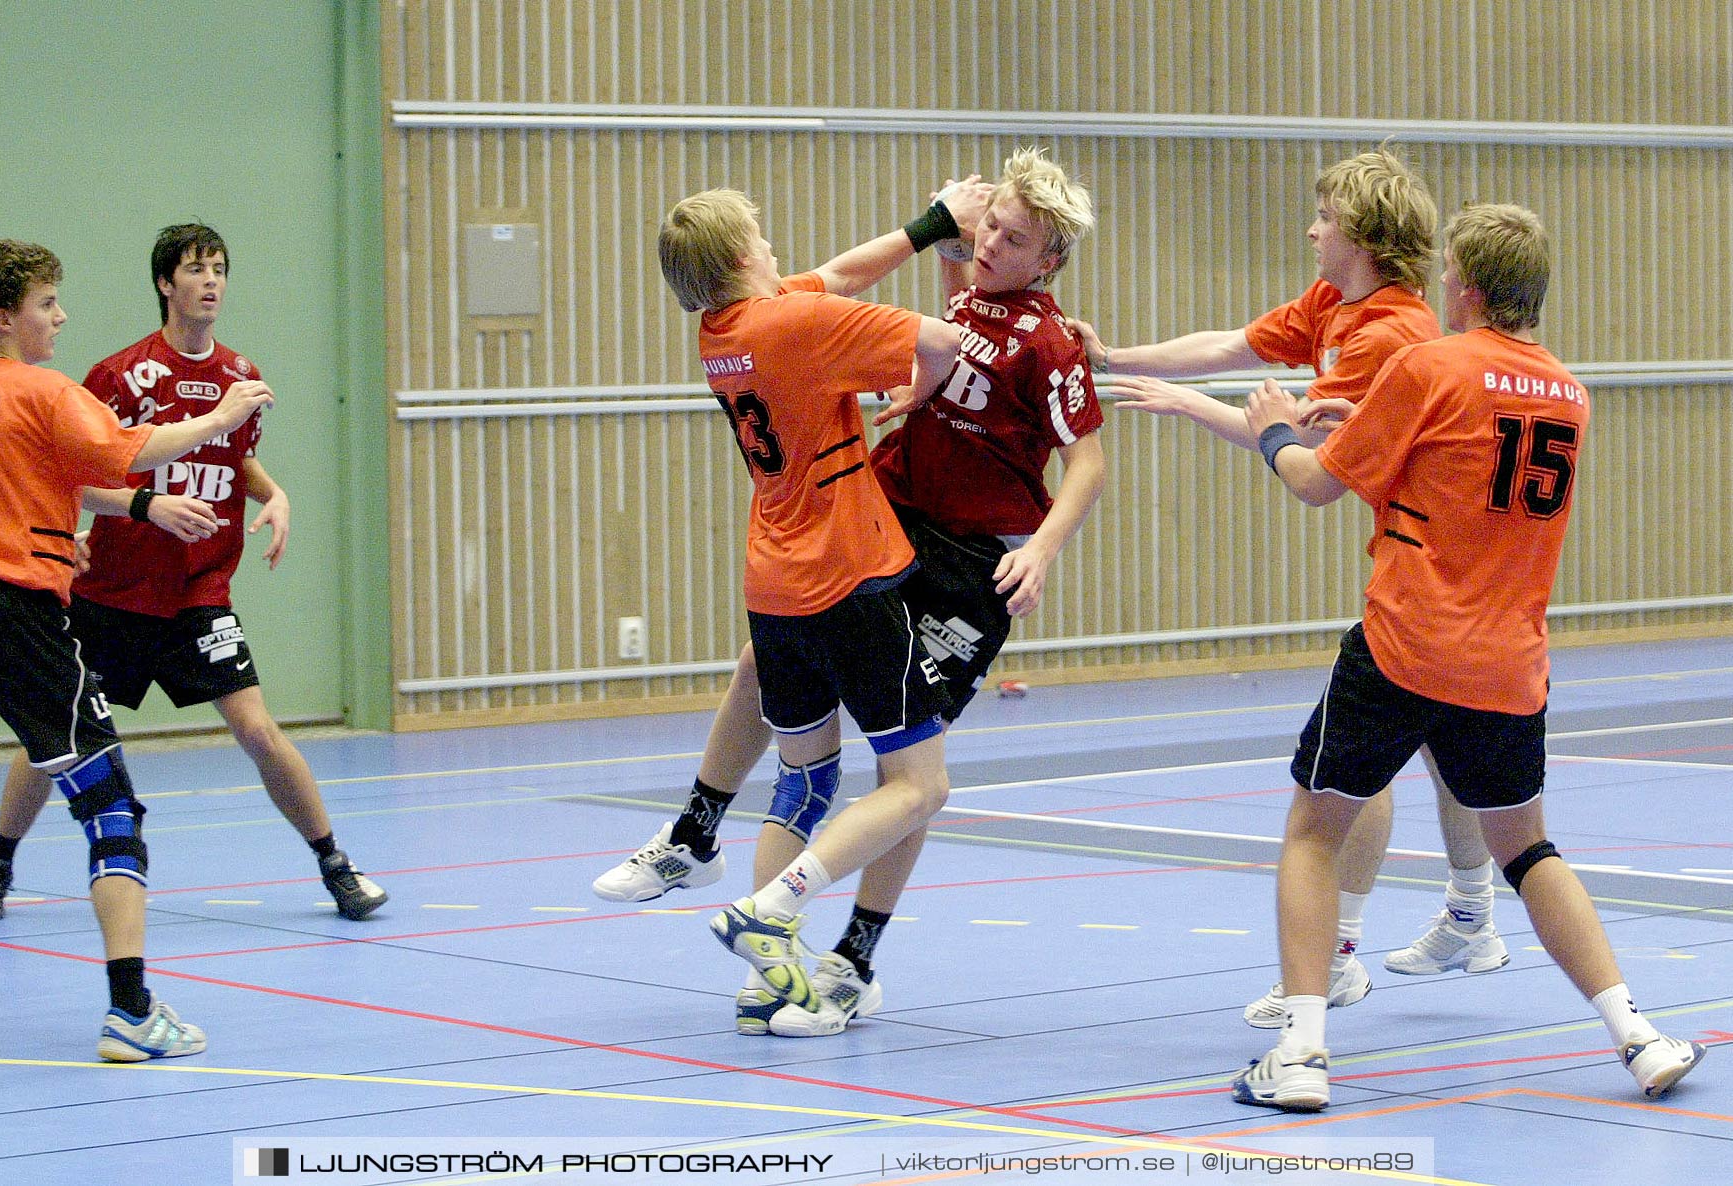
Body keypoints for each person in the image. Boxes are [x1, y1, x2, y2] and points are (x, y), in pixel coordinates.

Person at [601, 151, 1103, 1038]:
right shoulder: (893, 308)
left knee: (894, 767)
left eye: (1011, 235)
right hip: (881, 531)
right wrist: (925, 318)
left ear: (1047, 257)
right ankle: (756, 911)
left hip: (963, 563)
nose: (989, 241)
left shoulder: (1054, 343)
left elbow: (1089, 460)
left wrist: (1049, 547)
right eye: (988, 224)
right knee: (877, 763)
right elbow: (904, 324)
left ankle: (836, 944)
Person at [1231, 203, 1705, 1110]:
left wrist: (1277, 429)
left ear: (1472, 288)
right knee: (1526, 852)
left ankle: (1298, 1057)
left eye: (1448, 275)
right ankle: (1636, 1035)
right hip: (1507, 665)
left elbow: (1318, 486)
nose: (1439, 287)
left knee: (1312, 835)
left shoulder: (1428, 364)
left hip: (1405, 644)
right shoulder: (1570, 392)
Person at [1071, 149, 1507, 1026]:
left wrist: (1186, 405)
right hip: (1426, 559)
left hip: (1446, 569)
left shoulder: (1392, 336)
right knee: (1441, 741)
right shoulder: (1334, 308)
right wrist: (1116, 353)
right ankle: (1472, 913)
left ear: (1364, 235)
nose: (1311, 230)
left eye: (1325, 219)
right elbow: (1232, 346)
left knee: (1362, 762)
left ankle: (1338, 955)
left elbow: (1303, 455)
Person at [0, 224, 387, 925]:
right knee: (51, 738)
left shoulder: (240, 377)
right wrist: (88, 525)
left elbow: (231, 456)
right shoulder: (117, 376)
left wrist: (272, 493)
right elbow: (87, 459)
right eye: (195, 269)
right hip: (110, 597)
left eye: (219, 267)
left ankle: (335, 861)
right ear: (166, 283)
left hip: (197, 593)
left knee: (256, 728)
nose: (210, 281)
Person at [0, 238, 272, 1059]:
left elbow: (36, 481)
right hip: (18, 619)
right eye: (48, 304)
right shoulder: (41, 389)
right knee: (110, 807)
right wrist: (222, 420)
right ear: (5, 317)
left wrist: (134, 511)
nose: (60, 317)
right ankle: (131, 1013)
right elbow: (131, 447)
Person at [655, 184, 970, 1020]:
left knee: (804, 784)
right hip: (850, 578)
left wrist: (931, 223)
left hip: (773, 584)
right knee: (920, 783)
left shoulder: (722, 329)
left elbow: (832, 276)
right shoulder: (795, 328)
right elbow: (938, 340)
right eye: (760, 237)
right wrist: (922, 392)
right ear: (737, 259)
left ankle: (768, 982)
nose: (773, 248)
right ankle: (772, 909)